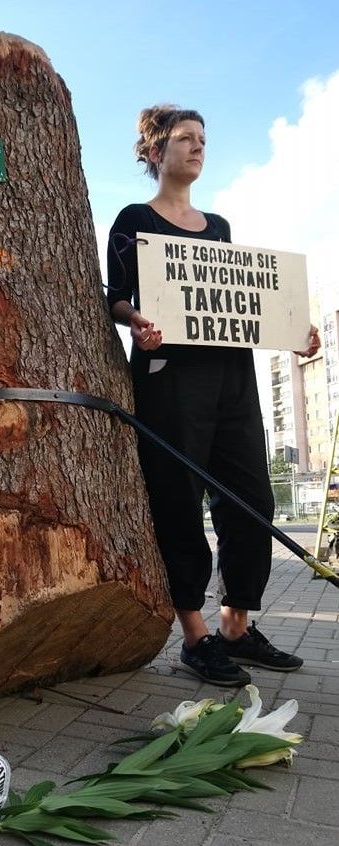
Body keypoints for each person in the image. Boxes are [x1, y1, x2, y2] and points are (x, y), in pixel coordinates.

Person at [107, 104, 321, 687]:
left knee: (252, 498)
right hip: (170, 379)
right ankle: (195, 636)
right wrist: (137, 321)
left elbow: (238, 301)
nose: (199, 147)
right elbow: (115, 297)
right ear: (155, 152)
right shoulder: (132, 219)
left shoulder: (220, 228)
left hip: (232, 379)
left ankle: (236, 624)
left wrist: (292, 329)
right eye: (185, 138)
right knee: (180, 501)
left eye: (203, 138)